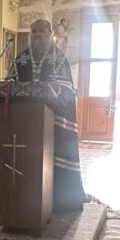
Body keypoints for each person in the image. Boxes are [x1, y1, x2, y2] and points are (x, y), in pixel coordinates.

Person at [8, 19, 86, 210]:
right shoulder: (21, 59)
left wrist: (55, 91)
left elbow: (67, 89)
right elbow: (10, 82)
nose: (37, 35)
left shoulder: (59, 59)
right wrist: (9, 85)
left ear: (50, 34)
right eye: (33, 31)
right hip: (26, 124)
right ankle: (27, 200)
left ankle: (58, 201)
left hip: (53, 122)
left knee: (53, 159)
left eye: (41, 31)